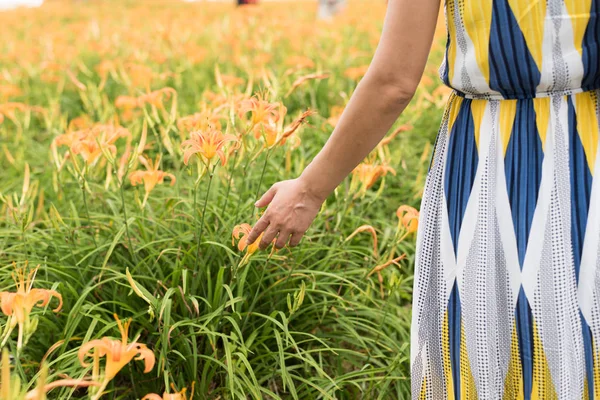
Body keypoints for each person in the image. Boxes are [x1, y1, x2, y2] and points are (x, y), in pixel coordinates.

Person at [246, 0, 600, 397]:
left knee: (486, 349)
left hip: (488, 157)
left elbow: (394, 82)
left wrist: (310, 190)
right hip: (589, 146)